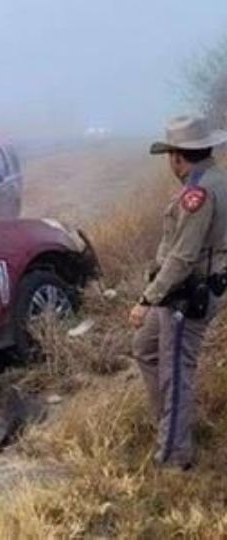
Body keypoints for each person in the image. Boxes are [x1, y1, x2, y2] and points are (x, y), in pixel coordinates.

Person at [130, 115, 227, 470]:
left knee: (176, 372)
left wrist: (146, 299)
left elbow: (183, 257)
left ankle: (173, 457)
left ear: (178, 157)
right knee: (145, 348)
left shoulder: (198, 193)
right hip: (185, 290)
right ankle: (172, 425)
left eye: (171, 154)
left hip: (186, 294)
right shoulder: (216, 180)